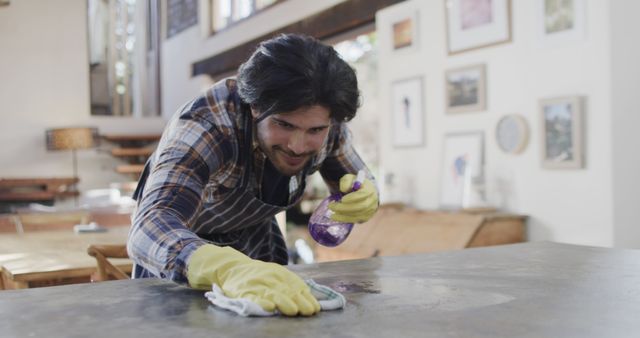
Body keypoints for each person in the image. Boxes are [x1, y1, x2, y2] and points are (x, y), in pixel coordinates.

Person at [127, 33, 379, 316]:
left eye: (315, 131)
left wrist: (365, 195)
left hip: (255, 239)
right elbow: (149, 225)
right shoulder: (208, 124)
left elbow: (360, 182)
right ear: (255, 106)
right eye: (283, 124)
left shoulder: (330, 124)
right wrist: (224, 268)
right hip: (181, 253)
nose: (297, 146)